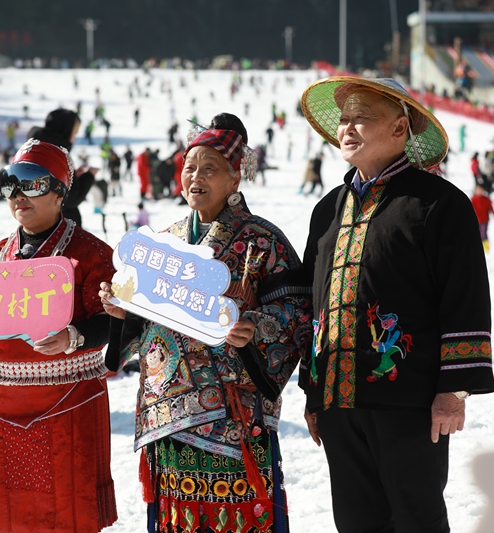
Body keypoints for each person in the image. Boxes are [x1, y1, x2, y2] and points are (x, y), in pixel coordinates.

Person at [300, 76, 494, 533]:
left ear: (400, 128)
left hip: (410, 400)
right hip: (336, 399)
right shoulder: (326, 209)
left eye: (362, 118)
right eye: (344, 120)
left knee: (416, 519)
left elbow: (465, 300)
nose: (347, 128)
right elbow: (311, 302)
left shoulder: (440, 205)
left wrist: (455, 389)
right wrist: (312, 390)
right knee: (355, 521)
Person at [99, 113, 312, 533]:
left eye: (210, 168)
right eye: (190, 167)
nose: (195, 176)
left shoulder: (263, 241)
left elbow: (299, 314)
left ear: (235, 179)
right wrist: (123, 312)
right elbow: (144, 323)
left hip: (235, 417)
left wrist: (255, 326)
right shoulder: (164, 241)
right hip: (168, 414)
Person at [0, 139, 118, 532]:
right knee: (14, 513)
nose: (17, 195)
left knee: (68, 513)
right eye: (9, 183)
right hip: (4, 405)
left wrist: (74, 336)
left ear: (60, 191)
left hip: (68, 400)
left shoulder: (91, 254)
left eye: (31, 182)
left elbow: (116, 319)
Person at [28, 108, 96, 228]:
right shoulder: (57, 155)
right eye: (74, 133)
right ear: (65, 130)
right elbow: (71, 198)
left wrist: (74, 175)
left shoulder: (39, 149)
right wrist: (89, 176)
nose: (74, 138)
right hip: (59, 227)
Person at [471, 184, 494, 253]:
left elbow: (490, 207)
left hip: (485, 219)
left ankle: (486, 248)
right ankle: (478, 247)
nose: (480, 191)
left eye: (481, 190)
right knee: (477, 233)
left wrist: (493, 214)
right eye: (478, 190)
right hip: (476, 219)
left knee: (483, 233)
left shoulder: (486, 199)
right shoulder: (473, 199)